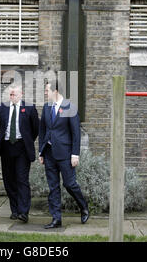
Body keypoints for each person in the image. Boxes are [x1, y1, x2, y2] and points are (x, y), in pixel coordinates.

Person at [38, 80, 89, 229]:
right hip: (48, 153)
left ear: (56, 91)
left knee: (69, 184)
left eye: (47, 91)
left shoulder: (69, 107)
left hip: (65, 154)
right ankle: (56, 219)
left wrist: (75, 154)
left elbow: (76, 133)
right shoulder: (46, 108)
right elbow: (43, 131)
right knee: (53, 187)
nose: (45, 93)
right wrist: (41, 151)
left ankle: (84, 207)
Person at [0, 84, 39, 223]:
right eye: (10, 94)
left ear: (21, 94)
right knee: (9, 180)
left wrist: (27, 141)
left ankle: (24, 212)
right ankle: (15, 210)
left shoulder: (30, 108)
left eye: (15, 94)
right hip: (6, 147)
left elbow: (35, 129)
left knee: (22, 179)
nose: (12, 96)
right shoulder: (1, 107)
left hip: (22, 148)